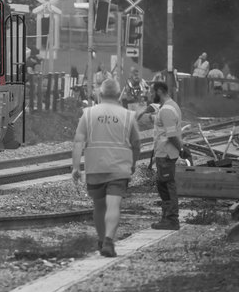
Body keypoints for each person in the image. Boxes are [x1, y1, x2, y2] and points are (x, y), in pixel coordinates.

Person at [72, 78, 142, 257]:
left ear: (100, 94)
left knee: (99, 206)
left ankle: (102, 240)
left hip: (95, 167)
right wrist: (133, 163)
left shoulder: (87, 114)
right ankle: (109, 241)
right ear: (119, 95)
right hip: (119, 168)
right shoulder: (128, 116)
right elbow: (136, 144)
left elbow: (79, 141)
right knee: (114, 205)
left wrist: (75, 168)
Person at [140, 80, 184, 230]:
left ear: (159, 91)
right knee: (163, 185)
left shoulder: (166, 110)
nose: (151, 96)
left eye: (152, 92)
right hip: (165, 153)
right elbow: (160, 118)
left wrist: (182, 150)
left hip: (165, 153)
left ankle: (171, 220)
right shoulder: (171, 106)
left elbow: (171, 135)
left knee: (167, 186)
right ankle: (167, 218)